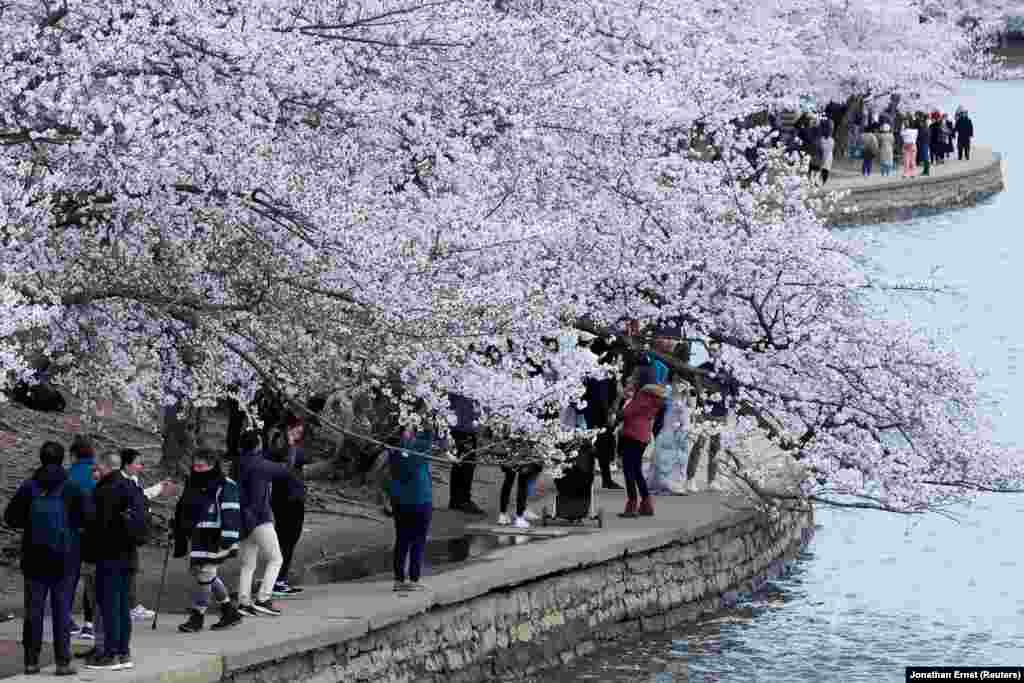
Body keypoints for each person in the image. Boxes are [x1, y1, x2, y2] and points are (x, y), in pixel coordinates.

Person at [4, 441, 92, 676]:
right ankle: (63, 661)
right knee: (62, 610)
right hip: (65, 558)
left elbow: (11, 518)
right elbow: (87, 519)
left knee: (33, 611)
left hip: (34, 557)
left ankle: (31, 661)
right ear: (62, 459)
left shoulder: (29, 487)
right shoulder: (71, 488)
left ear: (41, 458)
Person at [87, 450, 148, 671]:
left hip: (108, 556)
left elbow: (97, 526)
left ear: (104, 467)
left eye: (97, 468)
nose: (95, 471)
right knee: (122, 606)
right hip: (129, 555)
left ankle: (110, 654)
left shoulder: (104, 490)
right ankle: (124, 652)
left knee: (109, 605)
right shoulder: (132, 487)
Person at [173, 449, 244, 632]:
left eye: (201, 466)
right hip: (198, 536)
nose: (197, 469)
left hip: (216, 536)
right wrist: (178, 526)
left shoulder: (226, 485)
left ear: (212, 465)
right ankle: (229, 611)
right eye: (195, 466)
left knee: (205, 574)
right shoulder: (193, 483)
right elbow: (185, 507)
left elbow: (231, 511)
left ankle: (198, 615)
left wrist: (228, 537)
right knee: (205, 574)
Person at [235, 430, 292, 616]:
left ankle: (244, 602)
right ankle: (263, 598)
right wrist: (290, 446)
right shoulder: (260, 464)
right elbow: (285, 469)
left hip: (242, 520)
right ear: (258, 444)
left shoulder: (238, 463)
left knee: (247, 564)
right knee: (276, 559)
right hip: (260, 518)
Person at [119, 449, 172, 621]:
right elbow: (136, 501)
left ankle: (129, 605)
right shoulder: (120, 483)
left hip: (132, 533)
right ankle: (131, 606)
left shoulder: (132, 480)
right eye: (137, 463)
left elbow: (140, 497)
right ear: (126, 465)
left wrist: (158, 488)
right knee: (129, 569)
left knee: (130, 569)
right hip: (125, 534)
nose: (140, 466)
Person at [389, 424, 435, 592]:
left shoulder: (393, 450)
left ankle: (399, 579)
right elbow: (429, 436)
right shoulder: (418, 449)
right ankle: (414, 578)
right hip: (419, 500)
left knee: (402, 539)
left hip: (400, 500)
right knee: (417, 540)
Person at [617, 365, 667, 518]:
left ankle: (631, 504)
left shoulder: (644, 395)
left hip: (633, 434)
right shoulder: (655, 396)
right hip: (643, 435)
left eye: (635, 376)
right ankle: (646, 504)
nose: (632, 378)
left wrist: (618, 409)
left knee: (629, 470)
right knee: (637, 470)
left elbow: (628, 412)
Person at [687, 348, 739, 492]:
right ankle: (690, 479)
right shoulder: (702, 368)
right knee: (699, 446)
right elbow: (693, 388)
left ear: (722, 351)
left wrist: (730, 406)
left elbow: (735, 392)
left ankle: (712, 480)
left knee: (715, 448)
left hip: (721, 413)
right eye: (710, 350)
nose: (713, 353)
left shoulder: (728, 369)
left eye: (716, 350)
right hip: (704, 411)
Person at [268, 415, 307, 597]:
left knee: (292, 538)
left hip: (296, 495)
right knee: (285, 538)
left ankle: (281, 579)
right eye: (296, 427)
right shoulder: (280, 445)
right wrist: (290, 445)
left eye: (300, 427)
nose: (300, 430)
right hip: (284, 497)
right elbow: (287, 466)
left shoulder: (295, 445)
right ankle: (276, 580)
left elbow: (301, 462)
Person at [67, 436, 97, 642]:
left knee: (69, 577)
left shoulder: (67, 476)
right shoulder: (98, 475)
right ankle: (89, 623)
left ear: (73, 456)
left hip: (70, 533)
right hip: (93, 534)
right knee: (90, 579)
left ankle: (66, 618)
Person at [447, 393, 485, 515]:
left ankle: (456, 499)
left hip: (460, 427)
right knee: (466, 464)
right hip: (464, 427)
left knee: (459, 464)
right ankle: (463, 500)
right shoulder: (464, 387)